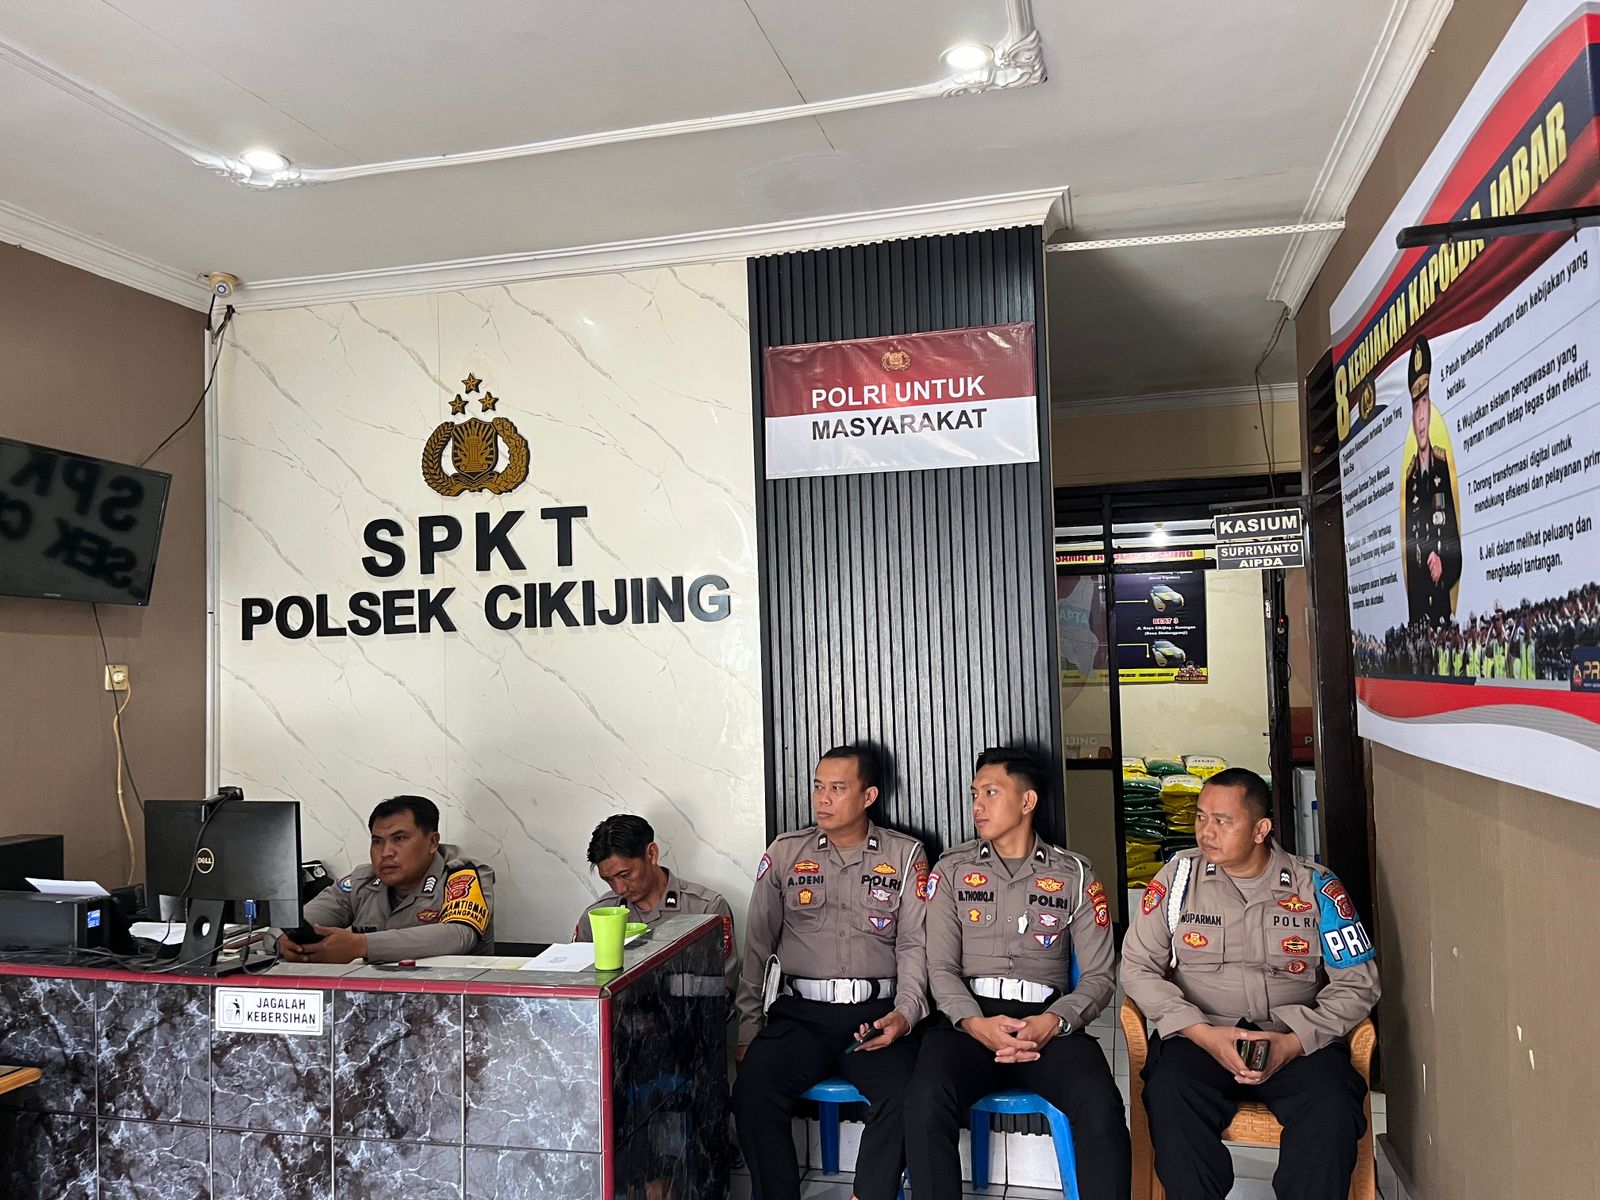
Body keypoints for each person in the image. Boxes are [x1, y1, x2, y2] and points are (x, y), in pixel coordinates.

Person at [1121, 768, 1379, 1200]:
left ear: (1261, 829)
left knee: (1332, 1107)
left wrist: (1294, 1042)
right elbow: (1137, 967)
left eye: (1223, 821)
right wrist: (1201, 1032)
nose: (1206, 831)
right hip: (1202, 1037)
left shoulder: (1315, 886)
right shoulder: (1177, 880)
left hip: (1295, 1041)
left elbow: (1359, 983)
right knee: (1170, 1094)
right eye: (1201, 817)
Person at [906, 747, 1131, 1200]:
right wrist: (975, 1023)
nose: (977, 806)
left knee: (1101, 1107)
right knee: (924, 1100)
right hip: (970, 1023)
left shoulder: (1075, 874)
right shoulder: (952, 870)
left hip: (1048, 1024)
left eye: (991, 793)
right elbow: (940, 967)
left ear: (1027, 801)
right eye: (975, 794)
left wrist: (1052, 1022)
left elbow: (1100, 976)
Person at [731, 744, 929, 1200]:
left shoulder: (904, 855)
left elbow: (914, 946)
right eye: (819, 787)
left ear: (868, 796)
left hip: (876, 1016)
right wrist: (748, 1027)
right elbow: (758, 946)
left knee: (906, 1094)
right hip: (800, 1016)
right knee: (753, 1092)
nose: (823, 798)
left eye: (837, 788)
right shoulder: (786, 853)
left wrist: (905, 1014)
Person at [276, 794, 495, 965]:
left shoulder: (462, 875)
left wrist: (361, 946)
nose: (386, 852)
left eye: (399, 838)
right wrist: (286, 943)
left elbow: (458, 935)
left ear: (432, 842)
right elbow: (286, 923)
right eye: (377, 841)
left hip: (450, 998)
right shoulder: (361, 881)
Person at [574, 813, 738, 991]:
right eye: (608, 880)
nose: (619, 889)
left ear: (652, 854)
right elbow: (578, 989)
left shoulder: (706, 908)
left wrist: (660, 986)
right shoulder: (596, 917)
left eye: (625, 875)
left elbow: (723, 988)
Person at [1402, 335, 1461, 628]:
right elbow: (1409, 554)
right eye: (1416, 407)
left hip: (1440, 605)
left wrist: (1444, 566)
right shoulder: (1410, 480)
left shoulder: (1442, 467)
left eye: (1424, 402)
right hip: (1419, 615)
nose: (1421, 417)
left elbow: (1454, 538)